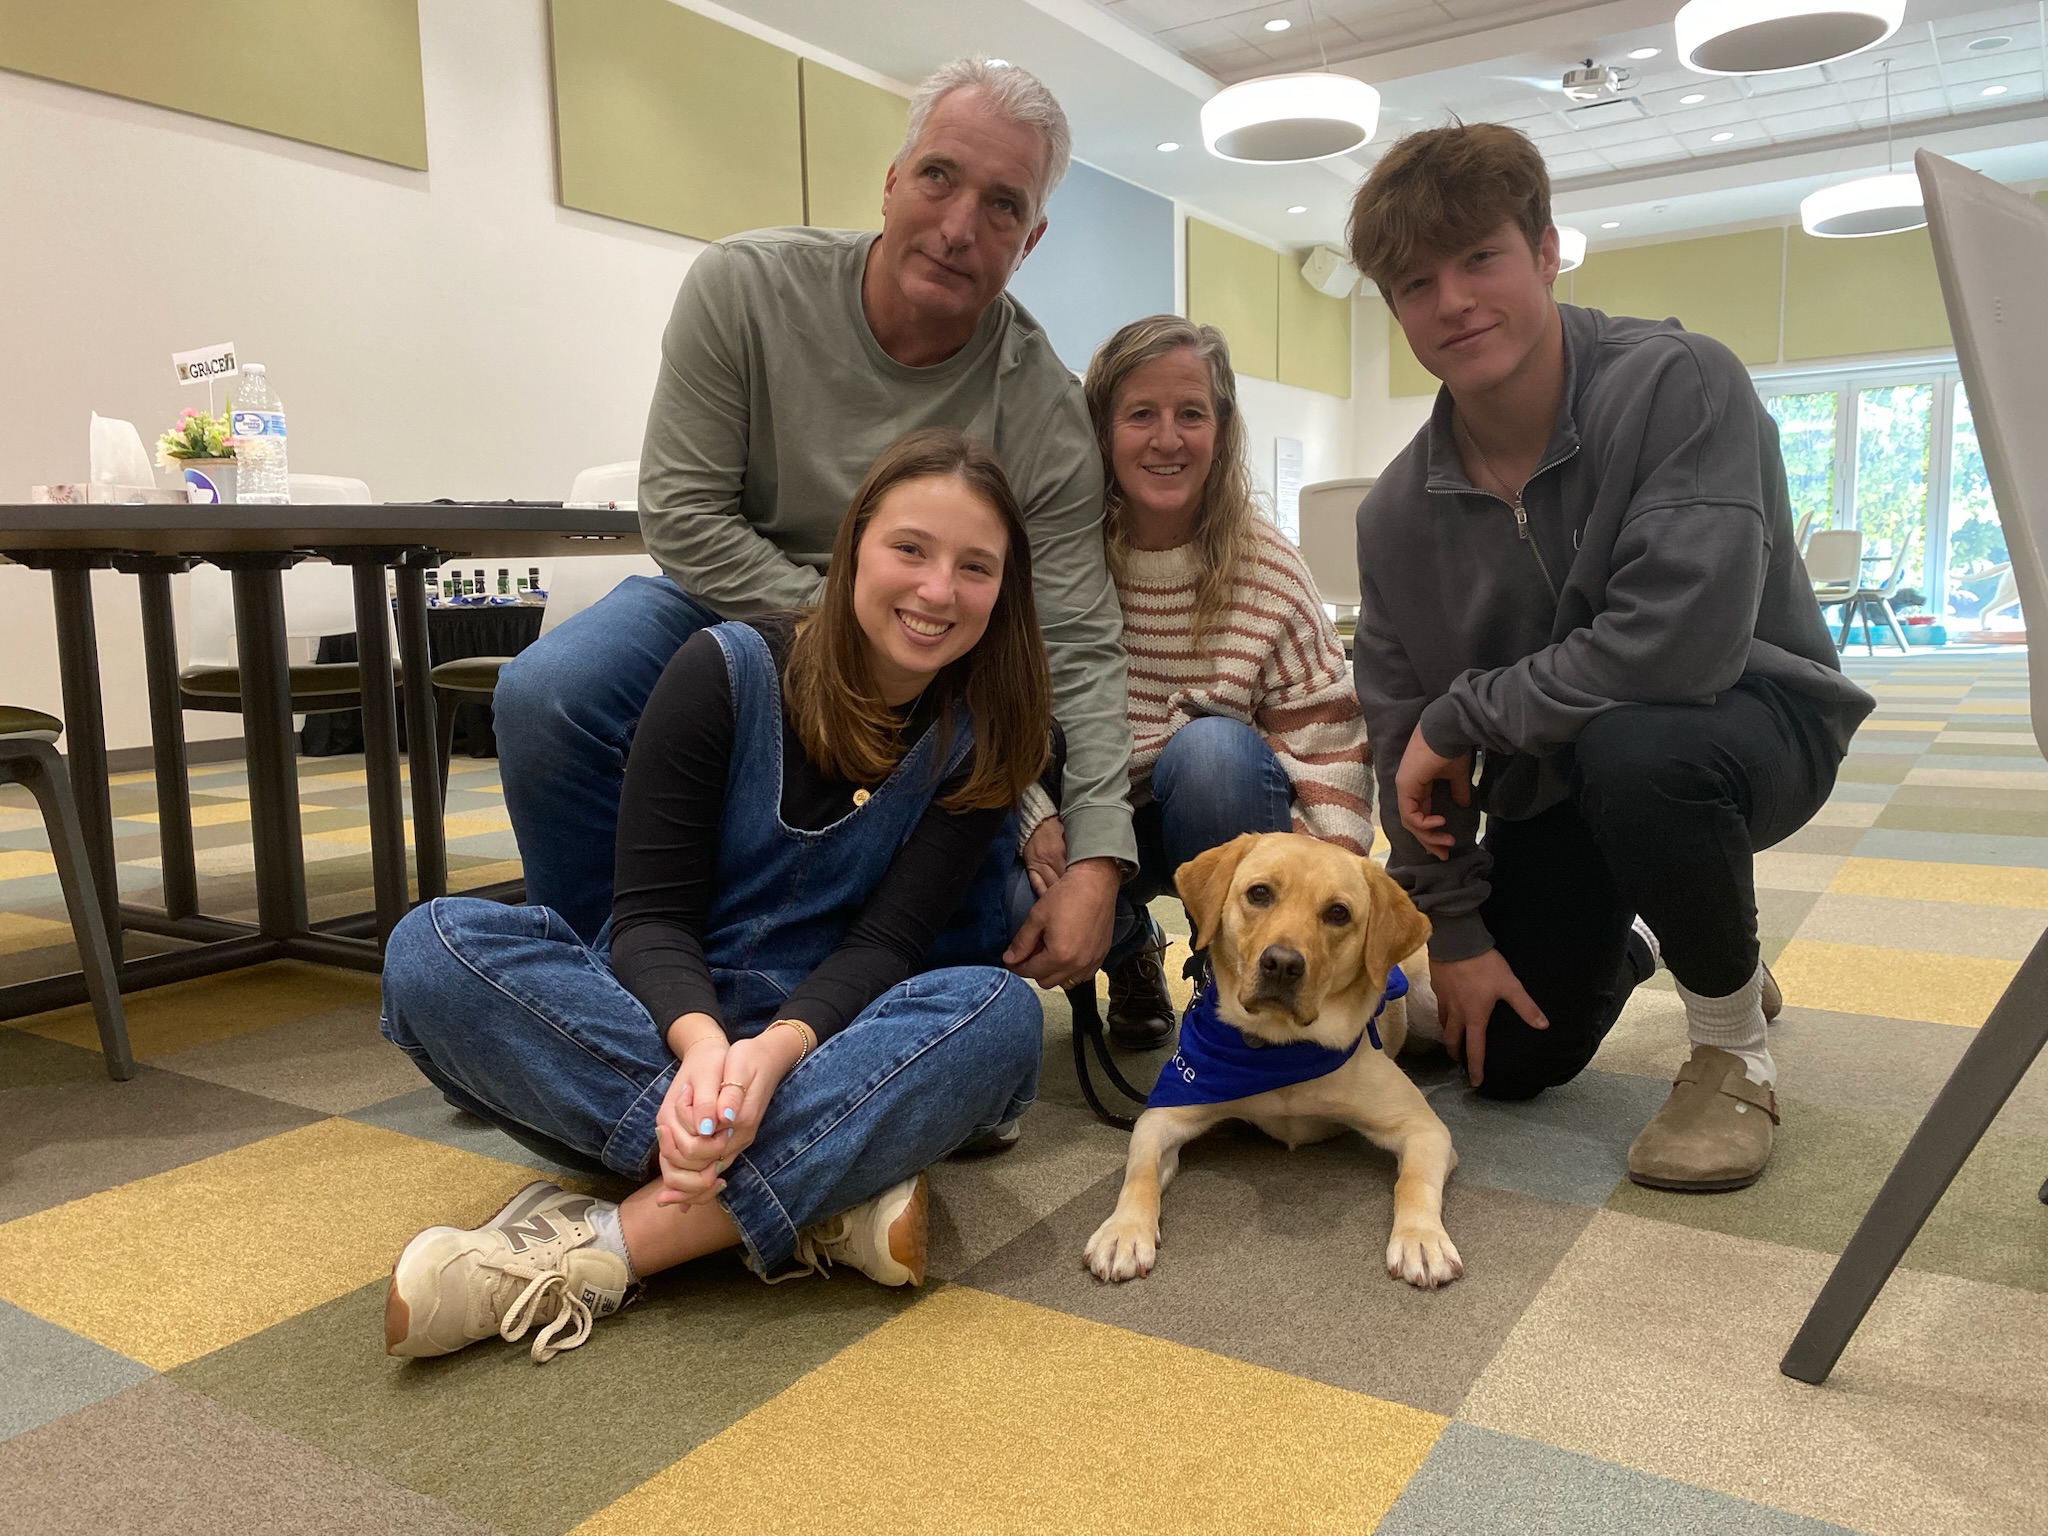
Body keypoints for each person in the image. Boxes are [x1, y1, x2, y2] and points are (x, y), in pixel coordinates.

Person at [379, 430, 1050, 1364]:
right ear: (854, 547)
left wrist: (772, 1059)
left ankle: (617, 1244)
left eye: (974, 567)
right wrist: (700, 1052)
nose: (938, 591)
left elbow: (888, 946)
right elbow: (648, 915)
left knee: (1001, 1014)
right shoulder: (722, 669)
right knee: (431, 949)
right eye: (910, 550)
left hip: (828, 1040)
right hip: (661, 1034)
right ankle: (825, 1189)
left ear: (1003, 591)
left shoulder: (983, 735)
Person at [494, 58, 1131, 1002]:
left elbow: (1076, 641)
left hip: (929, 640)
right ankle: (612, 995)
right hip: (732, 601)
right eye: (938, 176)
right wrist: (846, 625)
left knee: (986, 736)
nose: (959, 227)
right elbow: (684, 512)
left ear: (1029, 239)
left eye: (1002, 206)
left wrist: (1102, 862)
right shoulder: (744, 288)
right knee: (550, 694)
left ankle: (870, 998)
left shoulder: (1043, 405)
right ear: (892, 178)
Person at [1345, 124, 1874, 1191]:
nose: (1449, 301)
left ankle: (1731, 1043)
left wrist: (1466, 716)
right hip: (1562, 784)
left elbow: (1677, 648)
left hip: (1741, 729)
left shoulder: (1679, 384)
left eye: (1478, 258)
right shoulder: (1396, 513)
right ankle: (1679, 921)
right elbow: (1400, 734)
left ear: (1544, 251)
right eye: (1413, 283)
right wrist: (1448, 927)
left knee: (1642, 747)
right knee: (1508, 1065)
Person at [1021, 315, 1372, 1047]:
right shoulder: (1052, 555)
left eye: (1191, 414)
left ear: (1222, 429)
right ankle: (1130, 951)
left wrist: (1329, 908)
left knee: (1214, 751)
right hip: (1082, 808)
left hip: (1209, 811)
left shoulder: (1270, 570)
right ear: (1101, 429)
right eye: (1140, 415)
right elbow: (991, 707)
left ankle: (1237, 983)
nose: (1168, 439)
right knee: (992, 881)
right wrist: (1030, 817)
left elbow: (1331, 744)